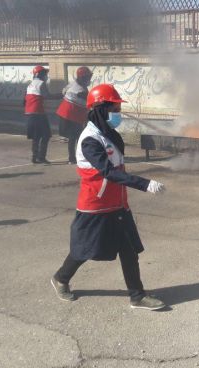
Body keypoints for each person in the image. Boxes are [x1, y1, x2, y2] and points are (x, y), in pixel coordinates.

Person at [50, 83, 168, 310]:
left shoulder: (108, 133)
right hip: (95, 205)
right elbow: (109, 172)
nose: (117, 114)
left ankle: (137, 296)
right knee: (83, 249)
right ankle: (61, 278)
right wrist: (145, 184)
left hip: (118, 204)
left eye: (117, 109)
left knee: (129, 250)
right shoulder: (89, 139)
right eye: (114, 109)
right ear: (100, 109)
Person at [56, 66, 92, 164]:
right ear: (82, 77)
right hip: (73, 115)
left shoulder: (72, 84)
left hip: (67, 113)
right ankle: (75, 158)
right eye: (88, 77)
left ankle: (73, 158)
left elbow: (63, 92)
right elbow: (87, 101)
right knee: (77, 137)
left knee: (74, 137)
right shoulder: (82, 90)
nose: (89, 79)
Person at [24, 65, 58, 164]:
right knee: (46, 135)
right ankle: (41, 157)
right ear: (39, 74)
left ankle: (34, 157)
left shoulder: (30, 85)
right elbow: (47, 96)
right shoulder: (41, 83)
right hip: (38, 113)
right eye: (44, 73)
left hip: (30, 114)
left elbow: (25, 100)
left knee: (36, 136)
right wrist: (61, 95)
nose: (46, 75)